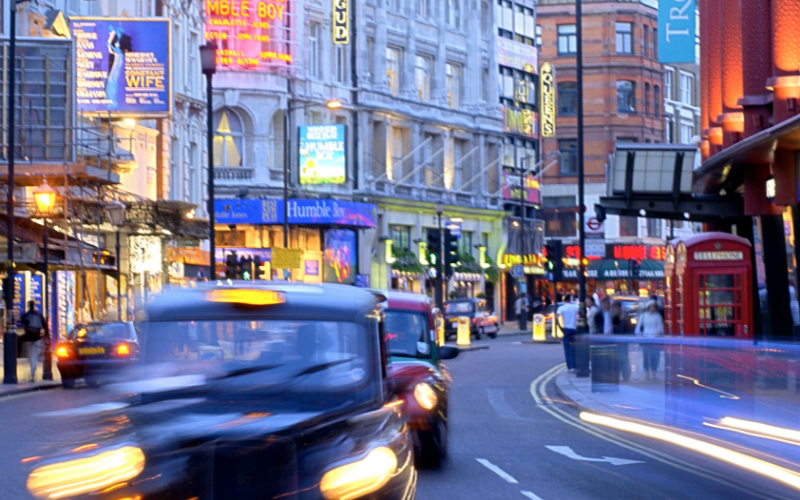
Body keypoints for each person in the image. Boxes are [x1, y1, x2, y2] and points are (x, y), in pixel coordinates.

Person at [636, 300, 665, 380]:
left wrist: (658, 333)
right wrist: (639, 336)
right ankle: (647, 373)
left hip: (655, 339)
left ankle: (654, 372)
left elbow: (660, 328)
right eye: (652, 306)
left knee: (654, 356)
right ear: (649, 307)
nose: (653, 308)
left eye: (655, 306)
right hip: (646, 339)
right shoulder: (643, 315)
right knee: (646, 356)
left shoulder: (657, 316)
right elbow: (638, 328)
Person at [20, 301, 45, 382]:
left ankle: (32, 375)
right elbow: (44, 325)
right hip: (37, 339)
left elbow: (23, 321)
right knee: (34, 357)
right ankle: (32, 374)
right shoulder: (39, 315)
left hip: (29, 339)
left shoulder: (26, 315)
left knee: (32, 357)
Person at [610, 301, 631, 381]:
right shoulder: (613, 317)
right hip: (616, 341)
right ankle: (618, 375)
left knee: (624, 358)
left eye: (615, 307)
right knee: (616, 359)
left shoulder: (624, 317)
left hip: (623, 341)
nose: (614, 309)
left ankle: (626, 375)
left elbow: (627, 329)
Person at [557, 301, 579, 371]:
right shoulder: (576, 307)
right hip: (574, 329)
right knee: (575, 348)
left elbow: (556, 317)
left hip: (566, 329)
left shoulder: (562, 307)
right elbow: (582, 313)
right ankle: (575, 365)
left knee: (567, 349)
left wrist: (560, 327)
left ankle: (570, 367)